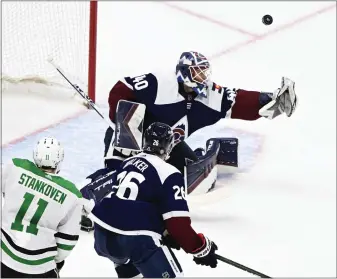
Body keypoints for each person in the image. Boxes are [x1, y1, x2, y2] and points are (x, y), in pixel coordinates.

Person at [104, 51, 298, 174]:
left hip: (167, 147)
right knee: (118, 176)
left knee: (191, 175)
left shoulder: (209, 95)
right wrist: (125, 126)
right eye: (197, 73)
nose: (202, 78)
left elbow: (237, 100)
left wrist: (273, 101)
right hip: (131, 141)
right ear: (184, 72)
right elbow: (122, 89)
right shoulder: (159, 82)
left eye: (204, 73)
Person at [81, 122, 219, 278]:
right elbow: (178, 225)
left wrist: (164, 232)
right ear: (169, 147)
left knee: (132, 272)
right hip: (135, 240)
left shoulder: (126, 163)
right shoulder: (170, 173)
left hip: (103, 237)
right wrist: (200, 248)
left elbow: (129, 203)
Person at [1, 137, 83, 278]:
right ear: (59, 160)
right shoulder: (72, 195)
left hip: (4, 256)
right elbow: (67, 241)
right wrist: (54, 261)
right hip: (40, 267)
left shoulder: (15, 167)